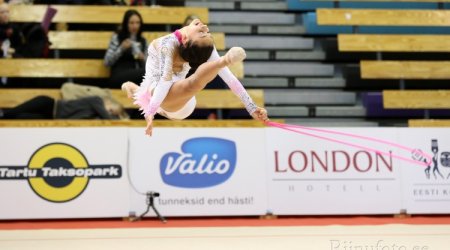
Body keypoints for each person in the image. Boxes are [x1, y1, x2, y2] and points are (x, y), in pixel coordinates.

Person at [122, 18, 269, 136]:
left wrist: (251, 107)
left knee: (192, 83)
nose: (205, 28)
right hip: (161, 94)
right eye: (206, 32)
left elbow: (229, 78)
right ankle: (135, 88)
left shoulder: (189, 45)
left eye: (203, 33)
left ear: (186, 40)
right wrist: (150, 113)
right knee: (157, 90)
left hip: (180, 103)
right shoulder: (169, 45)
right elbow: (165, 82)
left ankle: (223, 61)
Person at [104, 10, 147, 88]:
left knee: (152, 73)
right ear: (126, 24)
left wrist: (142, 58)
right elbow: (107, 62)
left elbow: (147, 65)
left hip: (135, 76)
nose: (135, 26)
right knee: (149, 72)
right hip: (118, 75)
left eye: (138, 23)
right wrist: (121, 48)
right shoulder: (117, 37)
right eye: (131, 23)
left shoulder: (143, 40)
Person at [1, 95, 126, 119]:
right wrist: (121, 118)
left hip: (51, 117)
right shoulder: (97, 100)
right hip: (48, 105)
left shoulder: (94, 115)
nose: (109, 112)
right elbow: (108, 119)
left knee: (19, 118)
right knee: (12, 113)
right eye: (111, 109)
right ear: (108, 102)